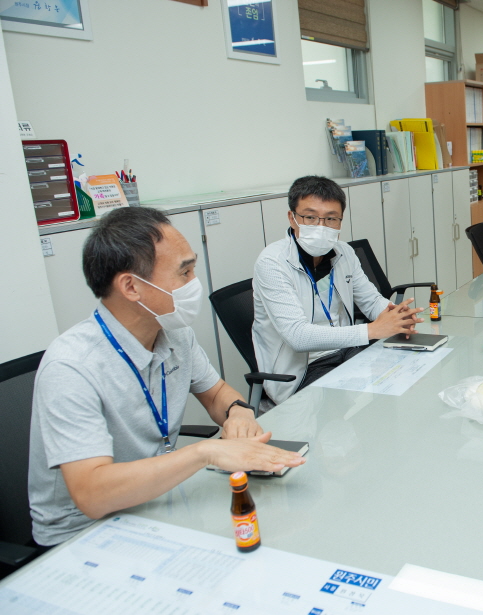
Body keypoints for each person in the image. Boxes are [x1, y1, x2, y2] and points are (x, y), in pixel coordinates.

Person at [28, 207, 306, 547]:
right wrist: (204, 453)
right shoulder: (72, 367)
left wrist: (239, 412)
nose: (194, 284)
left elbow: (216, 392)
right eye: (184, 272)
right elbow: (92, 494)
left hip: (158, 502)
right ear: (131, 286)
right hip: (84, 534)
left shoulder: (174, 333)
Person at [253, 175, 423, 404]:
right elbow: (298, 336)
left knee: (410, 371)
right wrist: (373, 330)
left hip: (346, 351)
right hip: (303, 371)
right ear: (292, 218)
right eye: (310, 217)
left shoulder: (344, 253)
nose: (321, 227)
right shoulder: (272, 263)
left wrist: (394, 315)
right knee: (370, 402)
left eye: (331, 219)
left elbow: (371, 300)